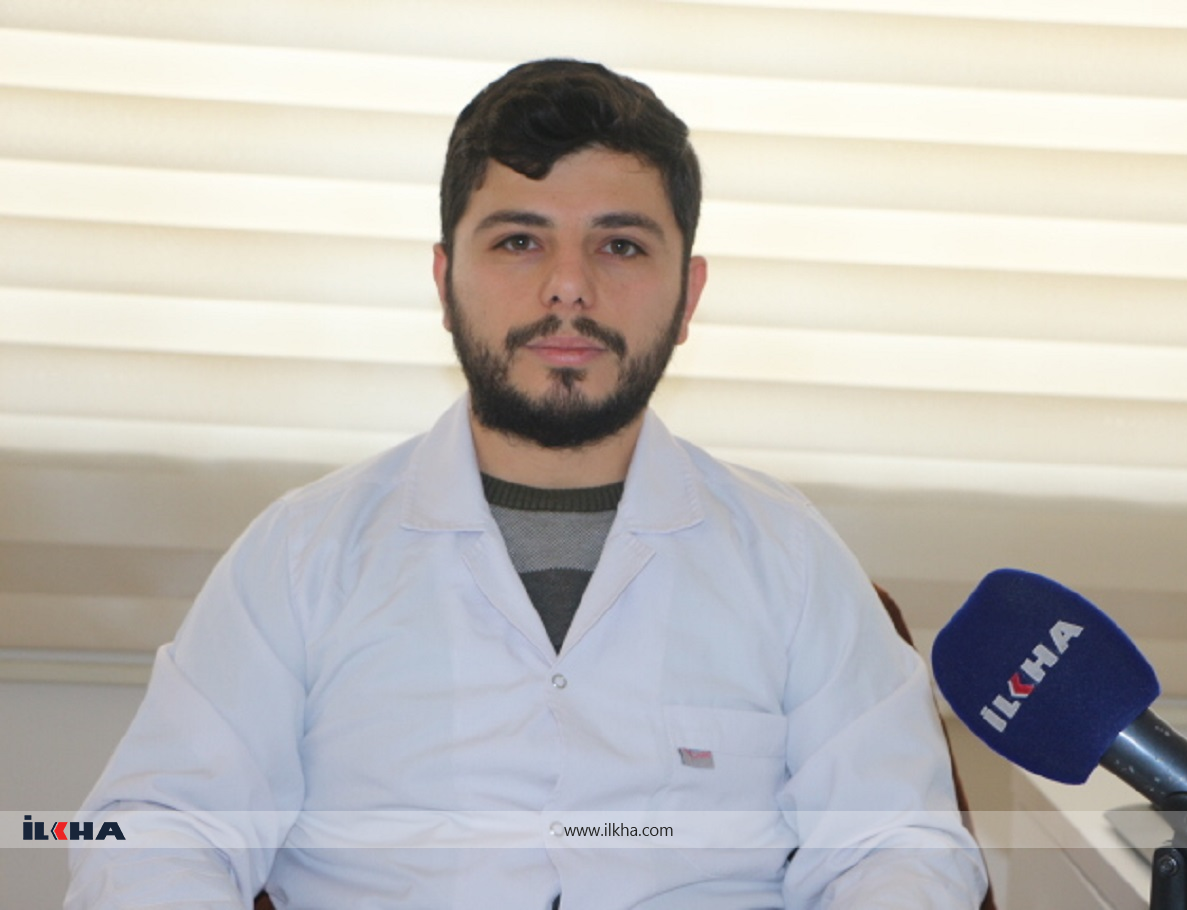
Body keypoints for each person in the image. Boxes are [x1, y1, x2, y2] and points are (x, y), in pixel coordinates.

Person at [66, 59, 988, 909]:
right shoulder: (301, 555)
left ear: (689, 294)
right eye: (518, 241)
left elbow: (897, 843)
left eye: (620, 246)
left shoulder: (790, 557)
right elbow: (155, 829)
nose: (568, 288)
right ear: (444, 282)